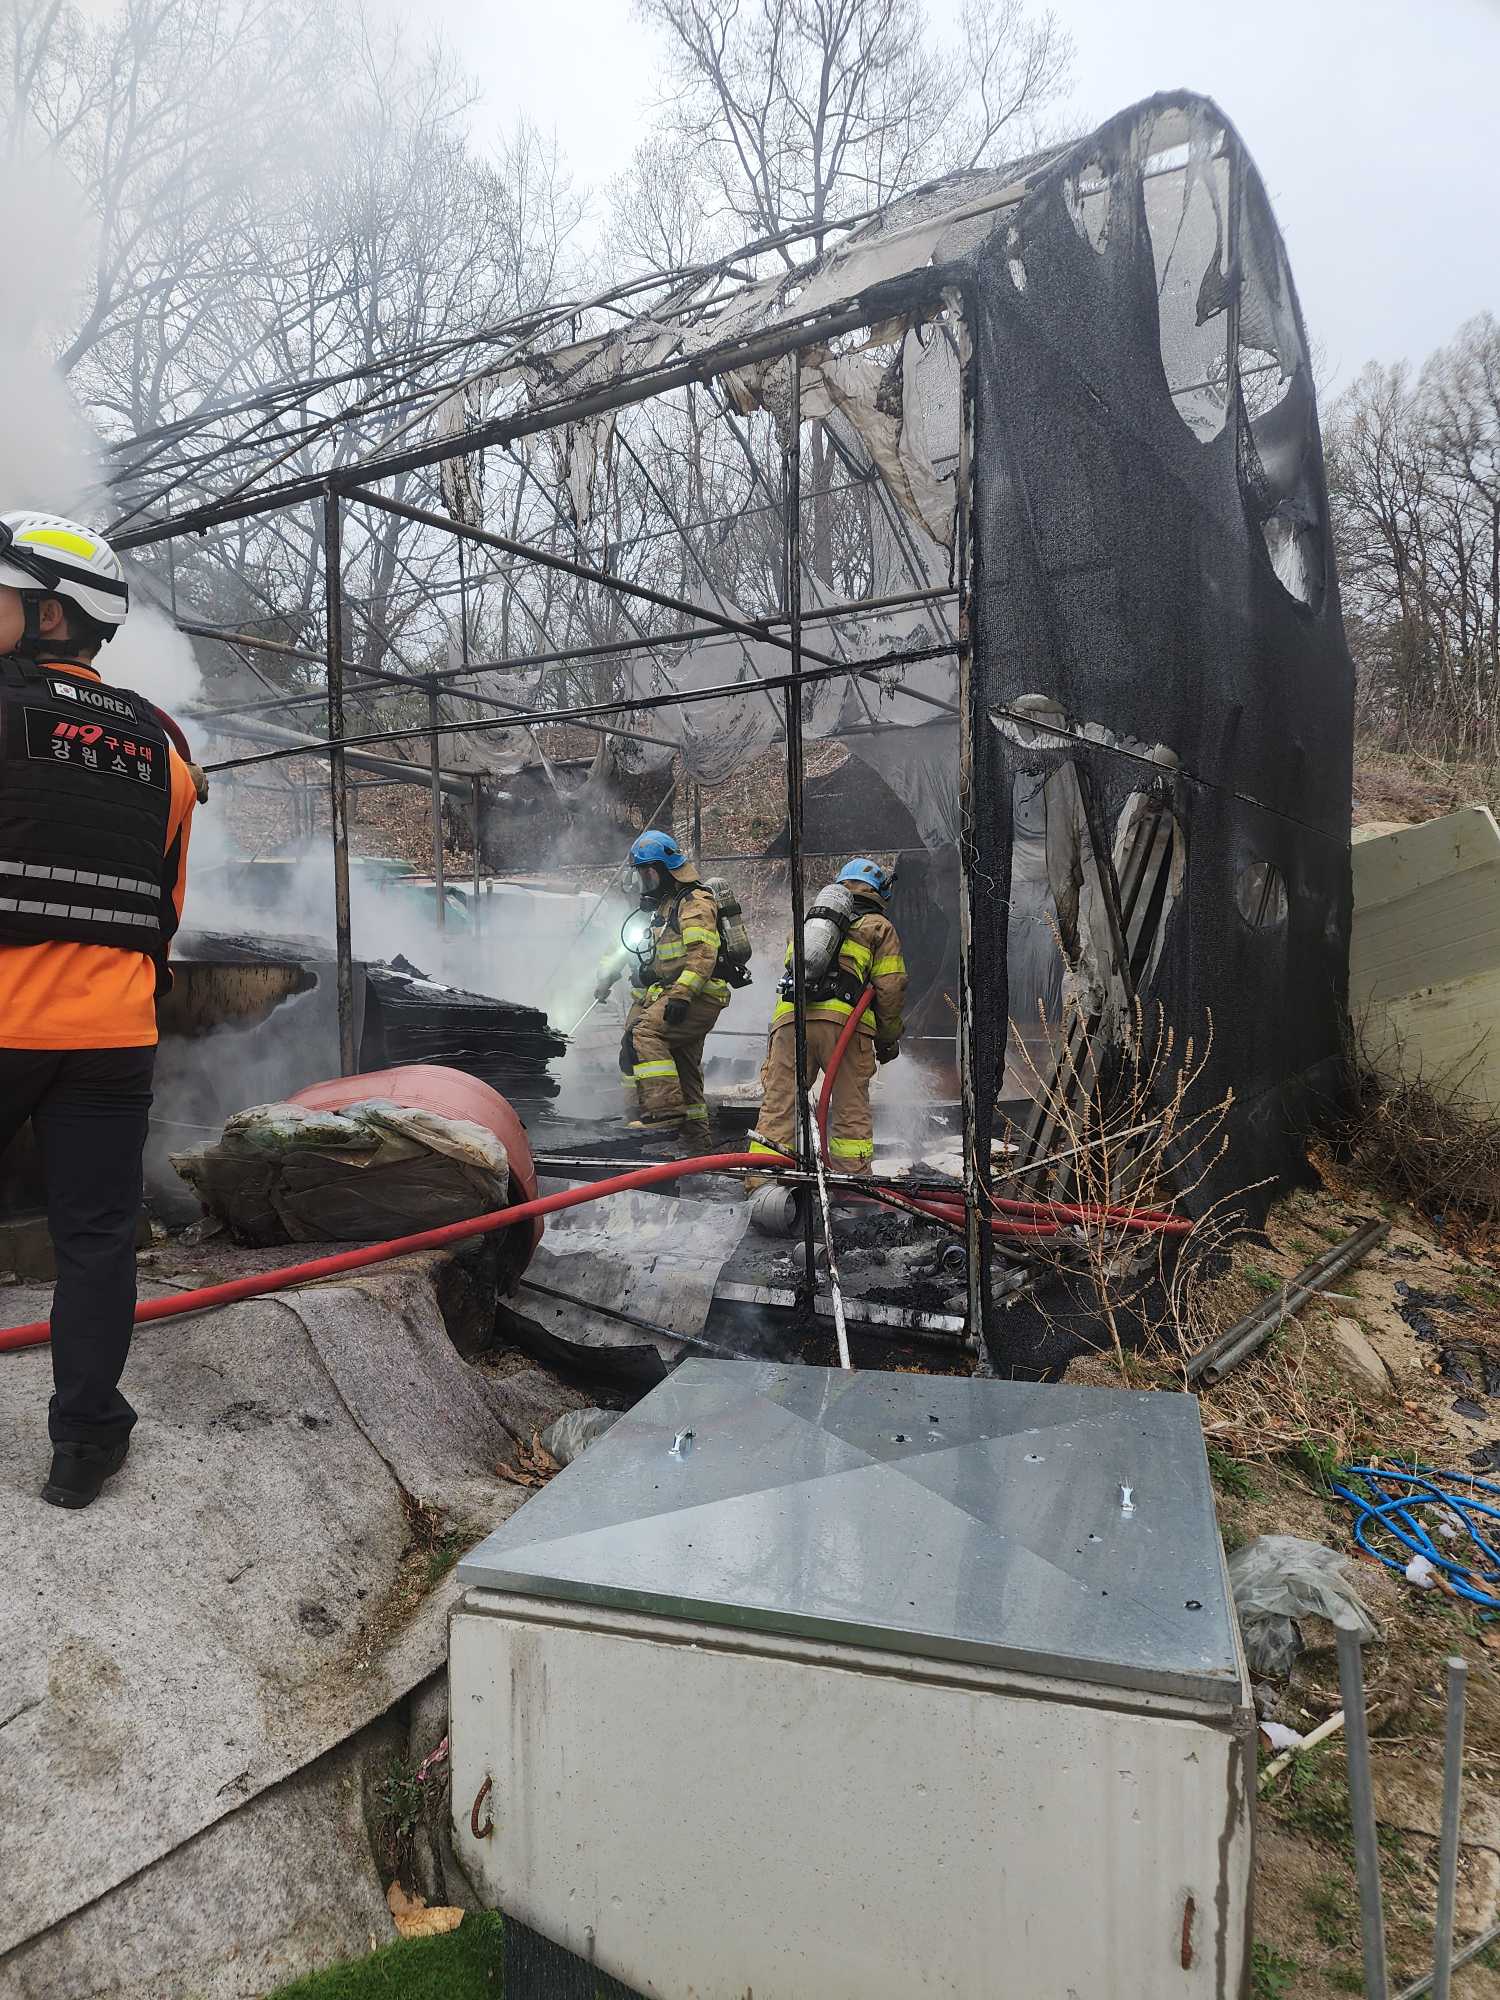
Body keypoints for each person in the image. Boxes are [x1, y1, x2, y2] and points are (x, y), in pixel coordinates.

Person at [0, 511, 198, 1509]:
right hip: (114, 1036)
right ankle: (85, 1443)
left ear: (48, 613)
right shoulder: (164, 746)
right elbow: (164, 908)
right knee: (95, 1239)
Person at [748, 858, 907, 1178]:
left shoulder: (810, 922)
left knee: (779, 1106)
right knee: (850, 1111)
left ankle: (764, 1182)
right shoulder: (878, 926)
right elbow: (890, 989)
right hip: (844, 1028)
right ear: (878, 892)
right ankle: (851, 1185)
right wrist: (887, 1041)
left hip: (791, 1021)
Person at [594, 830, 730, 1150]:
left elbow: (702, 954)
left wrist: (682, 995)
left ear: (666, 870)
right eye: (641, 874)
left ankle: (662, 1112)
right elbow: (628, 950)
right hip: (677, 994)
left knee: (644, 1034)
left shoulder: (694, 903)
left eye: (648, 873)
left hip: (697, 995)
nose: (644, 881)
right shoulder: (664, 907)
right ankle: (698, 1149)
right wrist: (606, 980)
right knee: (684, 1072)